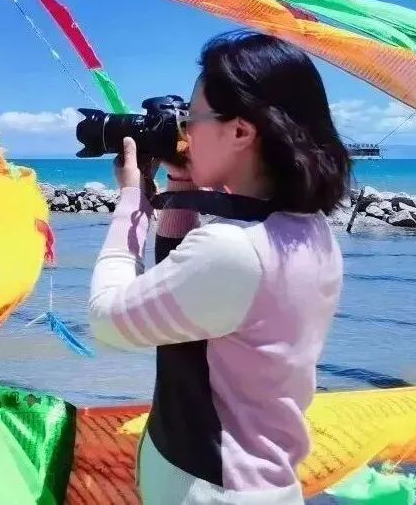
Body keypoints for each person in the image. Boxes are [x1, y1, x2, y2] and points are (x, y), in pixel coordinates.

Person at [88, 30, 351, 504]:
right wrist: (180, 184)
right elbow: (182, 295)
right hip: (258, 484)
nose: (184, 134)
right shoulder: (306, 232)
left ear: (241, 131)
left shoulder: (234, 250)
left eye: (191, 118)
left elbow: (106, 321)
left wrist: (131, 202)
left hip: (213, 491)